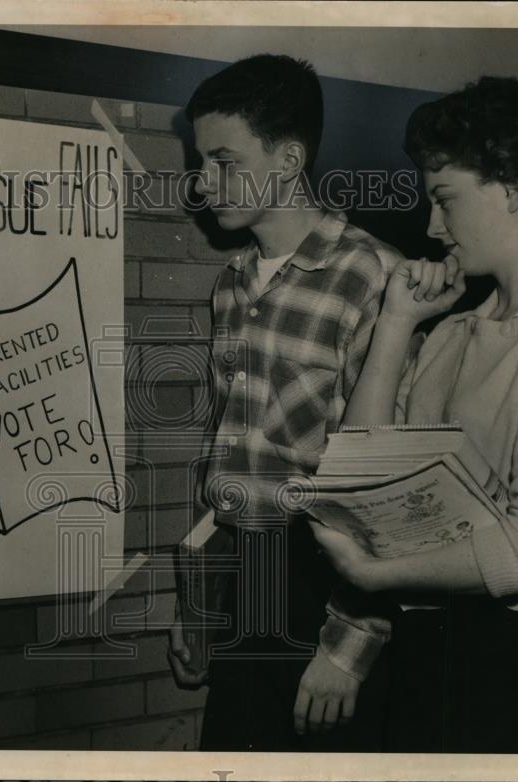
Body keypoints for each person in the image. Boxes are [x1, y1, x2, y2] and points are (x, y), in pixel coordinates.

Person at [308, 76, 518, 752]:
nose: (433, 226)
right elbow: (364, 472)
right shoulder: (458, 333)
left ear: (512, 186)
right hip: (432, 660)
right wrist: (397, 324)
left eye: (446, 199)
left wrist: (376, 576)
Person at [165, 53, 401, 751]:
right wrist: (199, 606)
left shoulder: (375, 278)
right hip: (246, 580)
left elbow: (387, 481)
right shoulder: (232, 282)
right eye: (199, 161)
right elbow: (225, 460)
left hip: (328, 584)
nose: (203, 184)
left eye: (223, 161)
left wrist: (350, 643)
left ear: (289, 157)